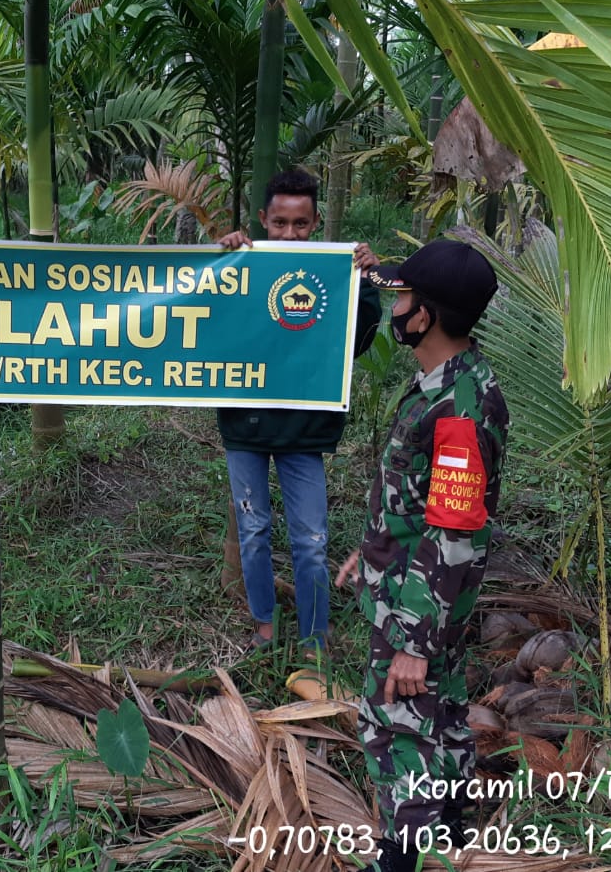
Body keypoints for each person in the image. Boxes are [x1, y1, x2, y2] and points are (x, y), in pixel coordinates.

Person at [334, 238, 509, 872]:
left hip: (421, 604)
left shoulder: (458, 407)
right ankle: (458, 835)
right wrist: (370, 548)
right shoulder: (445, 383)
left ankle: (400, 859)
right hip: (416, 586)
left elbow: (454, 532)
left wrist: (414, 640)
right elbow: (418, 502)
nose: (396, 303)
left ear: (425, 315)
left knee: (395, 725)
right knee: (447, 709)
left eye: (402, 295)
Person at [217, 168, 382, 653]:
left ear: (315, 223)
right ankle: (264, 628)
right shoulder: (242, 262)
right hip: (244, 426)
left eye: (301, 224)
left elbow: (357, 340)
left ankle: (315, 636)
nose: (290, 234)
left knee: (311, 540)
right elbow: (204, 313)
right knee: (253, 531)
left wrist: (365, 279)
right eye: (281, 223)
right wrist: (218, 259)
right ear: (264, 220)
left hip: (305, 429)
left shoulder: (333, 274)